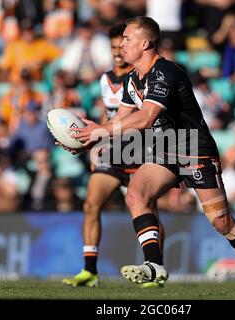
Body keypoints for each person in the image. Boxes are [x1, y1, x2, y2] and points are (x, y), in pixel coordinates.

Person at [71, 17, 235, 295]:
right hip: (165, 147)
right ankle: (154, 265)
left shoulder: (166, 71)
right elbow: (123, 119)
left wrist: (101, 131)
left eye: (127, 39)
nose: (121, 44)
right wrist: (89, 141)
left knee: (221, 223)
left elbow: (146, 117)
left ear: (145, 43)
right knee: (135, 194)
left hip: (193, 148)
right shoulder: (132, 78)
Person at [60, 23, 162, 288]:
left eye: (122, 45)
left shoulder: (144, 76)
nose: (118, 51)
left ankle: (155, 267)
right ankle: (90, 270)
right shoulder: (106, 80)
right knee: (91, 204)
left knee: (147, 210)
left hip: (140, 151)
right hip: (114, 151)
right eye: (114, 47)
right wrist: (96, 144)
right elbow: (109, 115)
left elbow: (144, 116)